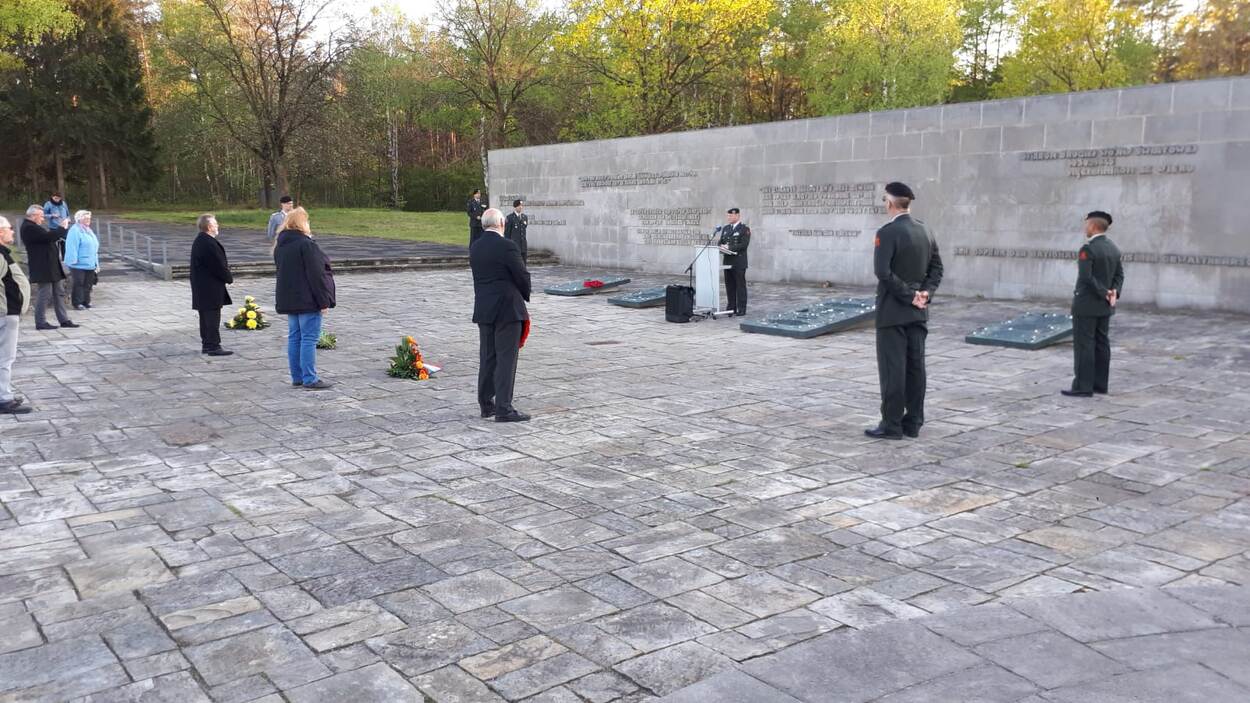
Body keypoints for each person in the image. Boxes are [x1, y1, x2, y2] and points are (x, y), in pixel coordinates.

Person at [866, 182, 943, 440]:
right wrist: (925, 294)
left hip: (893, 312)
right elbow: (936, 269)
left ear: (889, 203)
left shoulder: (887, 232)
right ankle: (914, 423)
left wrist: (910, 296)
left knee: (893, 370)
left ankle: (892, 425)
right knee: (915, 368)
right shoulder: (925, 230)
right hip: (918, 311)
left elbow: (882, 272)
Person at [470, 207, 531, 422]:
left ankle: (486, 404)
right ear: (502, 224)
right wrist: (525, 294)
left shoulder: (475, 247)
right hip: (507, 309)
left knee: (488, 357)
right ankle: (504, 408)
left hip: (484, 310)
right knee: (506, 359)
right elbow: (521, 275)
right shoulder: (507, 246)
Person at [1064, 211, 1124, 397]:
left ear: (1093, 226)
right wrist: (1113, 291)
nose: (1085, 228)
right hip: (1106, 305)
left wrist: (1103, 292)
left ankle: (1083, 386)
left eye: (1086, 224)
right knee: (1101, 343)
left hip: (1087, 304)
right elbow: (1119, 276)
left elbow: (1086, 277)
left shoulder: (1087, 249)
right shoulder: (1113, 248)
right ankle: (1100, 385)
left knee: (1084, 345)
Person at [274, 207, 335, 389]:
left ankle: (297, 377)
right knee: (308, 339)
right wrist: (323, 301)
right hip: (308, 299)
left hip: (290, 298)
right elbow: (317, 275)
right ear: (301, 223)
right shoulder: (306, 245)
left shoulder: (281, 245)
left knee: (295, 338)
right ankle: (310, 378)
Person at [19, 205, 77, 331]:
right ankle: (40, 322)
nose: (43, 219)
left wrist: (60, 229)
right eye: (41, 216)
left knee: (59, 292)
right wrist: (62, 227)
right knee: (44, 293)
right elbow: (49, 237)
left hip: (51, 265)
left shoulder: (34, 226)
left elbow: (50, 236)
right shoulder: (29, 227)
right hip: (42, 266)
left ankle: (64, 320)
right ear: (33, 216)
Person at [0, 216, 33, 414]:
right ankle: (4, 398)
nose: (13, 231)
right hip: (5, 313)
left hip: (7, 313)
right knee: (5, 358)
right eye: (9, 228)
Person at [190, 214, 235, 357]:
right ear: (209, 227)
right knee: (212, 317)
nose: (218, 226)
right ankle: (214, 346)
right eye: (215, 224)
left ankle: (207, 344)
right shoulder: (208, 243)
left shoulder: (201, 240)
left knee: (205, 317)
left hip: (203, 286)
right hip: (209, 287)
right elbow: (218, 265)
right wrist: (229, 278)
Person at [63, 210, 99, 310]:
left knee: (88, 283)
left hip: (90, 263)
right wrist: (73, 261)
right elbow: (71, 246)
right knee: (79, 283)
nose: (88, 220)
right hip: (78, 263)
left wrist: (96, 263)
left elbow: (95, 246)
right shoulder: (75, 230)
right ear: (79, 219)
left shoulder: (88, 230)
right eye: (86, 218)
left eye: (89, 218)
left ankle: (86, 301)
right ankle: (77, 303)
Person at [718, 208, 751, 316]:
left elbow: (743, 245)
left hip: (739, 261)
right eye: (728, 216)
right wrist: (721, 246)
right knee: (729, 285)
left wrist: (729, 247)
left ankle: (741, 308)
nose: (729, 218)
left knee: (740, 286)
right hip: (728, 261)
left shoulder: (744, 229)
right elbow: (721, 241)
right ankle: (731, 307)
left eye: (731, 216)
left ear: (737, 216)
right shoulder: (726, 228)